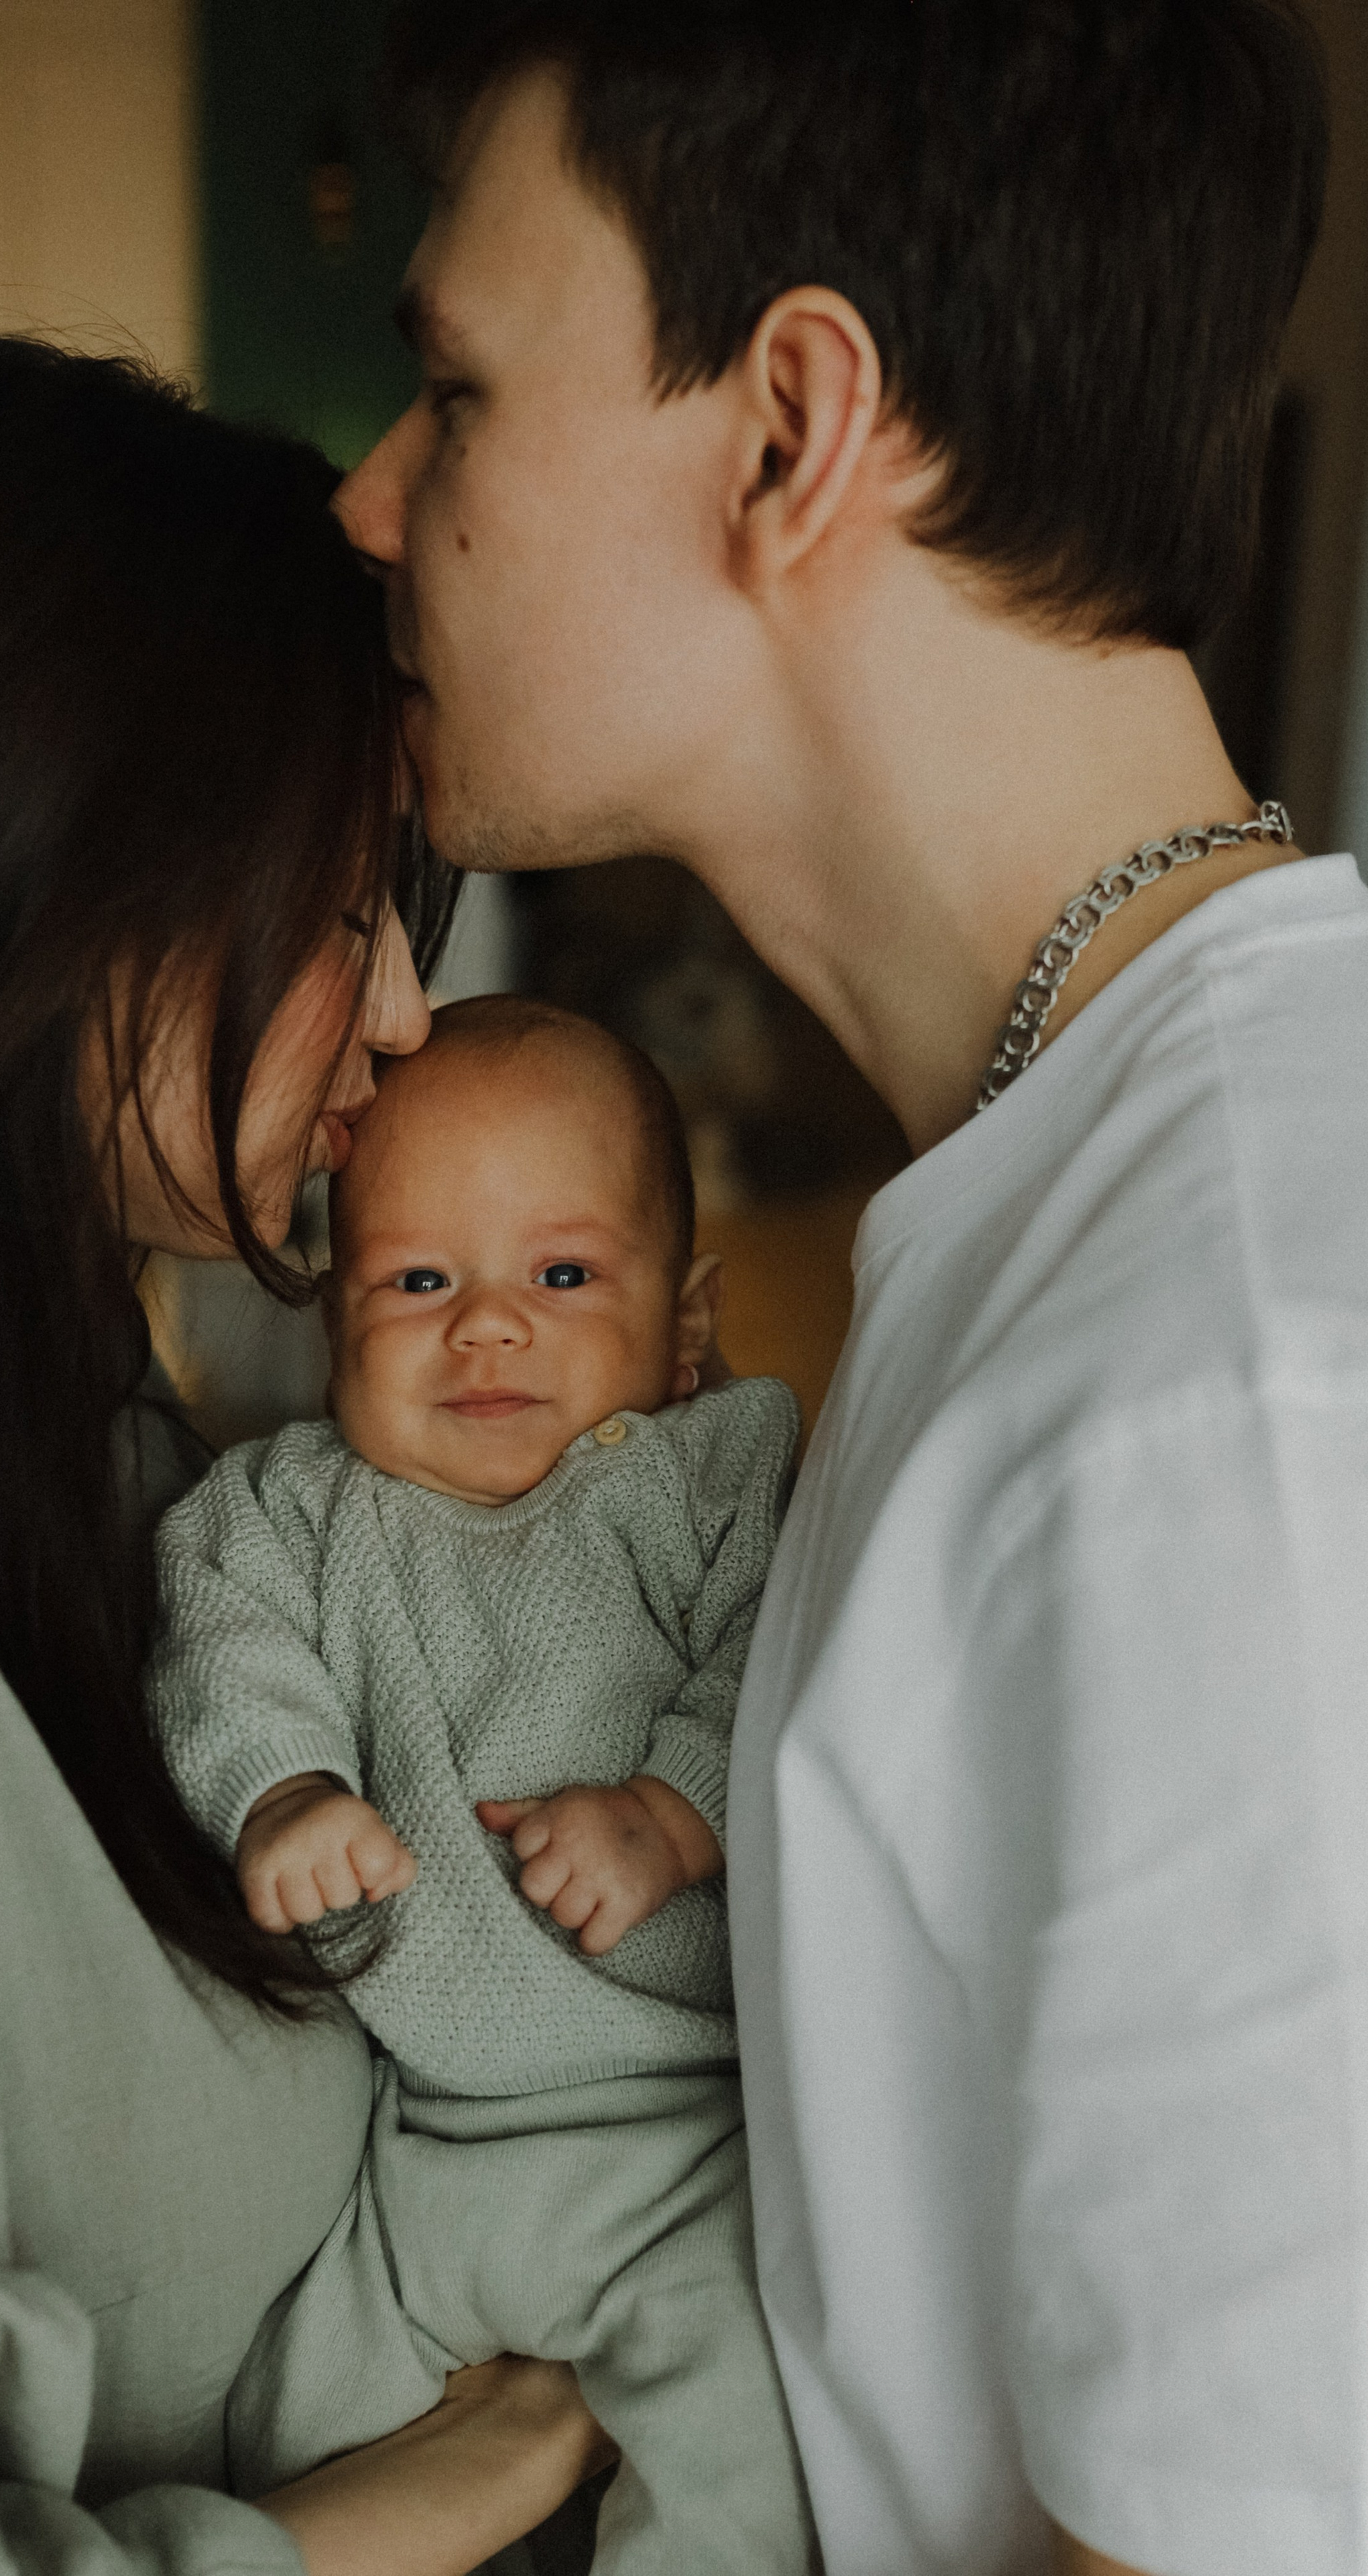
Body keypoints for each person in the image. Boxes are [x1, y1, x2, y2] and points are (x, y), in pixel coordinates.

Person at [337, 5, 1356, 2573]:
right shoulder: (1084, 1202)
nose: (373, 497)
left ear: (794, 430)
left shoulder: (1221, 1390)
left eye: (453, 393)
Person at [0, 335, 616, 2575]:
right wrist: (466, 2477)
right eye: (342, 909)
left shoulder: (100, 1454)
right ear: (40, 891)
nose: (403, 1012)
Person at [152, 994, 807, 2573]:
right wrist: (284, 1793)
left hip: (683, 2139)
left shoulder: (716, 1475)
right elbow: (221, 1641)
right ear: (335, 1323)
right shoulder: (289, 1510)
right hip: (415, 2150)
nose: (487, 1327)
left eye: (560, 1276)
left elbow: (781, 1661)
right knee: (288, 2427)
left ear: (686, 1322)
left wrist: (671, 1811)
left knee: (743, 2450)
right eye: (418, 1281)